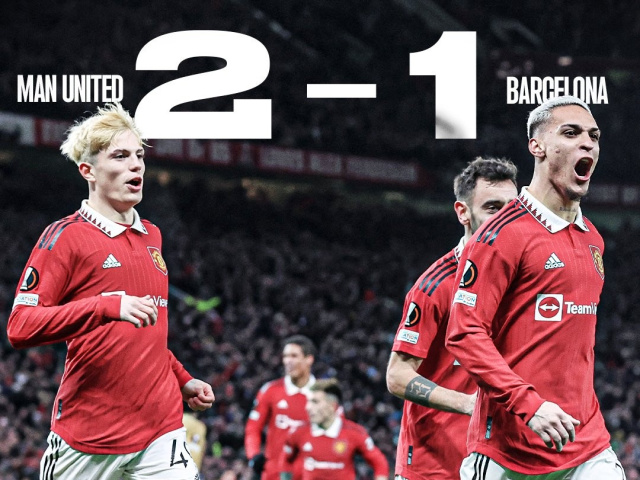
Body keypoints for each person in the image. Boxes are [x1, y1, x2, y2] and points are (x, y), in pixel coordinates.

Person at [6, 103, 215, 479]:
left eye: (139, 156)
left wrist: (182, 379)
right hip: (90, 438)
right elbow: (20, 327)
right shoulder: (65, 237)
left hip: (161, 430)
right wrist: (104, 306)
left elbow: (147, 338)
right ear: (87, 170)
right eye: (120, 156)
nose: (136, 166)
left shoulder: (152, 236)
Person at [446, 95, 626, 479]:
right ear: (537, 146)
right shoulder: (500, 235)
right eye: (571, 133)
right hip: (509, 451)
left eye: (594, 136)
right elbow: (463, 332)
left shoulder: (593, 238)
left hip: (586, 444)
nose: (587, 143)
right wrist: (530, 405)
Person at [386, 157, 519, 480]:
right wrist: (470, 404)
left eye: (513, 209)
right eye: (492, 208)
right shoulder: (436, 286)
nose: (505, 219)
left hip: (499, 461)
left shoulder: (523, 280)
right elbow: (397, 376)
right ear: (463, 212)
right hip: (433, 466)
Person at [279, 378, 389, 480]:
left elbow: (380, 463)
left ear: (332, 406)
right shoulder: (299, 432)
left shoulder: (354, 432)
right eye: (308, 401)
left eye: (315, 402)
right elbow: (285, 461)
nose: (308, 407)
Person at [245, 335, 317, 480]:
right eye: (285, 356)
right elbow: (253, 428)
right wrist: (254, 455)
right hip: (275, 473)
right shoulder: (270, 390)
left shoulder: (324, 395)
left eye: (294, 356)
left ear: (309, 359)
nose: (288, 361)